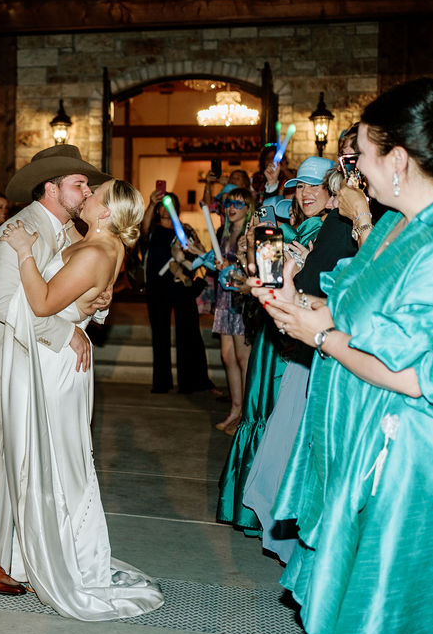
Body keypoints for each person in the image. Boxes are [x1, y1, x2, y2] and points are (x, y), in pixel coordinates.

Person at [254, 78, 433, 634]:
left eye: (360, 154)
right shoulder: (398, 222)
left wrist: (323, 338)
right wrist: (298, 303)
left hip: (420, 468)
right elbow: (367, 316)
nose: (354, 169)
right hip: (371, 445)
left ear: (398, 159)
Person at [0, 144, 108, 596]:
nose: (86, 191)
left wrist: (96, 304)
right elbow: (5, 302)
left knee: (10, 459)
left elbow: (71, 284)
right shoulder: (24, 226)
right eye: (79, 184)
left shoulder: (63, 228)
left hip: (15, 362)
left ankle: (3, 552)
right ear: (52, 188)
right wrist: (63, 333)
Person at [0, 179, 165, 620]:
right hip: (60, 357)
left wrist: (23, 252)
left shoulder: (94, 252)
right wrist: (95, 306)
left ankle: (60, 559)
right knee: (57, 458)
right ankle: (41, 551)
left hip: (55, 365)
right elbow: (94, 297)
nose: (87, 195)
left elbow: (42, 302)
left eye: (95, 194)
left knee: (51, 458)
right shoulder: (104, 245)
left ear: (106, 212)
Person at [216, 157, 332, 534]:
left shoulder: (325, 229)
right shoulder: (302, 227)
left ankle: (265, 513)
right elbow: (266, 276)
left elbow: (275, 279)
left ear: (334, 191)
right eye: (301, 185)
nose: (306, 192)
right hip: (279, 326)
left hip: (301, 333)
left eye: (315, 185)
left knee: (276, 417)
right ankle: (257, 509)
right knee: (265, 412)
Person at [139, 191, 214, 393]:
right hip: (157, 288)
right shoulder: (152, 230)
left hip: (182, 287)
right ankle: (162, 383)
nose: (165, 208)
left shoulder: (185, 230)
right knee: (160, 335)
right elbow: (142, 232)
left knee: (188, 333)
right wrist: (150, 204)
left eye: (170, 204)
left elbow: (198, 252)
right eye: (162, 205)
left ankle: (191, 382)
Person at [211, 186, 254, 433]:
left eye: (238, 204)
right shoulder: (224, 234)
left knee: (242, 357)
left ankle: (247, 414)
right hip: (223, 299)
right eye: (229, 203)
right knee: (228, 358)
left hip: (240, 300)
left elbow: (252, 270)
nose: (232, 208)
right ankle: (235, 409)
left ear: (248, 209)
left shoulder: (249, 235)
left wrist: (230, 266)